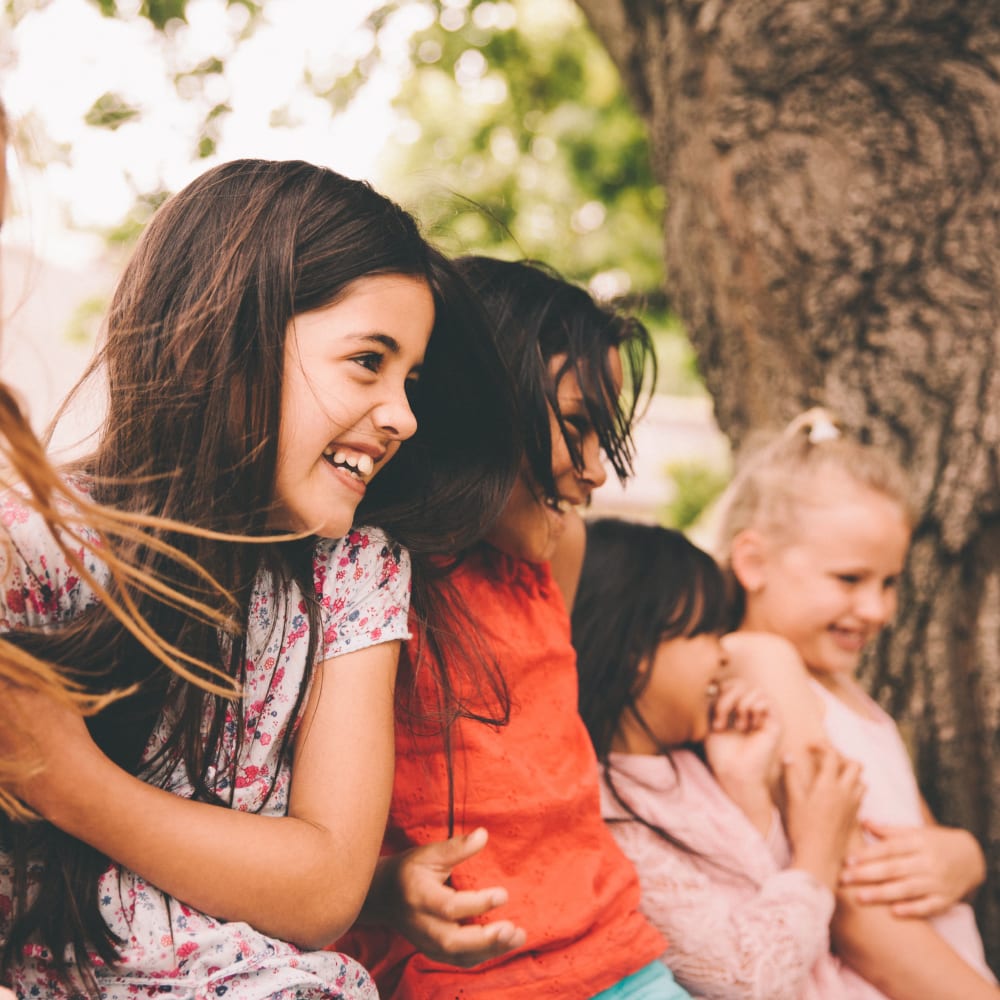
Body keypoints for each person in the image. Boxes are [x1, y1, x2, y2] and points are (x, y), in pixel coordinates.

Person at [0, 157, 519, 998]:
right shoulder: (37, 546)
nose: (404, 415)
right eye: (367, 362)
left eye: (410, 379)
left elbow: (321, 889)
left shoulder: (354, 574)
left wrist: (69, 781)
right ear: (226, 341)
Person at [340, 257, 692, 998]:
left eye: (608, 433)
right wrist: (383, 889)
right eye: (576, 426)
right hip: (469, 981)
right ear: (476, 403)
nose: (598, 471)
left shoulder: (544, 560)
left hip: (624, 960)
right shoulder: (366, 587)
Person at [716, 408, 997, 998]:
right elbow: (854, 911)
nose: (878, 611)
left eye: (889, 582)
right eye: (849, 579)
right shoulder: (761, 661)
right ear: (753, 561)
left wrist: (964, 858)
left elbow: (912, 842)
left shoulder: (842, 689)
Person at [572, 516, 898, 1000]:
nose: (723, 656)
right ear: (637, 648)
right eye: (705, 633)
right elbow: (747, 976)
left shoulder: (687, 763)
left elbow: (758, 884)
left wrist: (743, 781)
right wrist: (817, 857)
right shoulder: (609, 818)